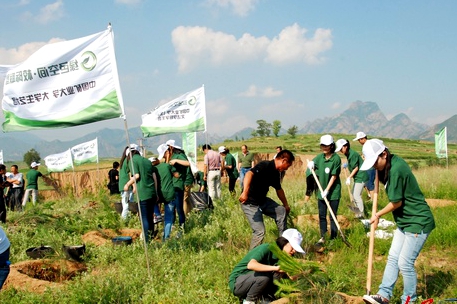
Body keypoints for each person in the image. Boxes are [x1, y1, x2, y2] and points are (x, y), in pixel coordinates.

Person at [361, 139, 435, 304]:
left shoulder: (396, 169)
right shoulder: (387, 165)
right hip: (404, 221)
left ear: (384, 154)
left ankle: (408, 300)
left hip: (417, 221)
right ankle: (384, 295)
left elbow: (397, 202)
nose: (374, 166)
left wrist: (377, 214)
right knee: (393, 257)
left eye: (375, 162)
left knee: (405, 263)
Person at [228, 228, 305, 304]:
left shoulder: (284, 256)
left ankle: (266, 297)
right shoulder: (267, 248)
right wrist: (276, 268)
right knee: (264, 277)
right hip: (238, 283)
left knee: (276, 274)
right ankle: (249, 301)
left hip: (255, 282)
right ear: (284, 242)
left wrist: (304, 273)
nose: (294, 251)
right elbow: (251, 265)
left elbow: (291, 277)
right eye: (292, 247)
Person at [239, 149, 294, 249]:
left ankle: (283, 247)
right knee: (259, 231)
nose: (287, 169)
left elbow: (279, 189)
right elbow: (249, 174)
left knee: (281, 211)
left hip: (262, 201)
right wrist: (245, 192)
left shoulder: (276, 173)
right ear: (284, 160)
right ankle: (251, 259)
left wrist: (285, 205)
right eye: (288, 166)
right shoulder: (265, 165)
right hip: (249, 203)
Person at [307, 134, 341, 248]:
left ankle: (334, 238)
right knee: (322, 215)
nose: (324, 148)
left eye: (326, 146)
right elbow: (313, 163)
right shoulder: (319, 157)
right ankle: (323, 236)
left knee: (332, 215)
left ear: (331, 146)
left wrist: (326, 190)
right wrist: (311, 164)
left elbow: (334, 176)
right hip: (321, 192)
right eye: (322, 146)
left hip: (333, 192)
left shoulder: (336, 159)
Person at [123, 144, 158, 243]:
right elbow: (154, 177)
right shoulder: (147, 161)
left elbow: (137, 175)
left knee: (144, 218)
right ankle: (151, 238)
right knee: (150, 217)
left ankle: (146, 241)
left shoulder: (132, 161)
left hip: (143, 193)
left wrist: (127, 184)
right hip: (151, 192)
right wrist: (156, 192)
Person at [335, 138, 368, 218]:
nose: (340, 151)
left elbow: (356, 168)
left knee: (356, 195)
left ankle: (361, 214)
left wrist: (349, 177)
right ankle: (357, 213)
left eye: (341, 149)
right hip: (358, 177)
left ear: (345, 146)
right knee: (354, 195)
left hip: (361, 176)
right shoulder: (349, 154)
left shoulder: (352, 154)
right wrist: (346, 164)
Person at [166, 140, 190, 238]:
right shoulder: (171, 155)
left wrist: (176, 161)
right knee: (172, 208)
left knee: (179, 208)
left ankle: (181, 228)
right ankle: (173, 226)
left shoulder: (178, 155)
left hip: (178, 185)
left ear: (171, 147)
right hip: (173, 185)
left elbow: (187, 163)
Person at [153, 148, 176, 240]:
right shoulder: (167, 166)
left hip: (159, 195)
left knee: (154, 211)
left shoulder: (153, 169)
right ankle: (165, 237)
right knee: (168, 217)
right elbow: (176, 175)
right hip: (169, 194)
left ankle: (157, 215)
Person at [354, 131, 375, 200]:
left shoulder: (368, 145)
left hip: (371, 167)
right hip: (368, 167)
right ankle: (370, 196)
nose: (359, 142)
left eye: (359, 140)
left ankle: (373, 200)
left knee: (370, 184)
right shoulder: (368, 144)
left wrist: (363, 158)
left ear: (363, 138)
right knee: (366, 183)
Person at [118, 147, 133, 220]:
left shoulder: (123, 161)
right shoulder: (128, 161)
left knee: (125, 203)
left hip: (122, 185)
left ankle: (127, 220)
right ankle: (123, 220)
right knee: (128, 204)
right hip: (127, 185)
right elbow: (131, 174)